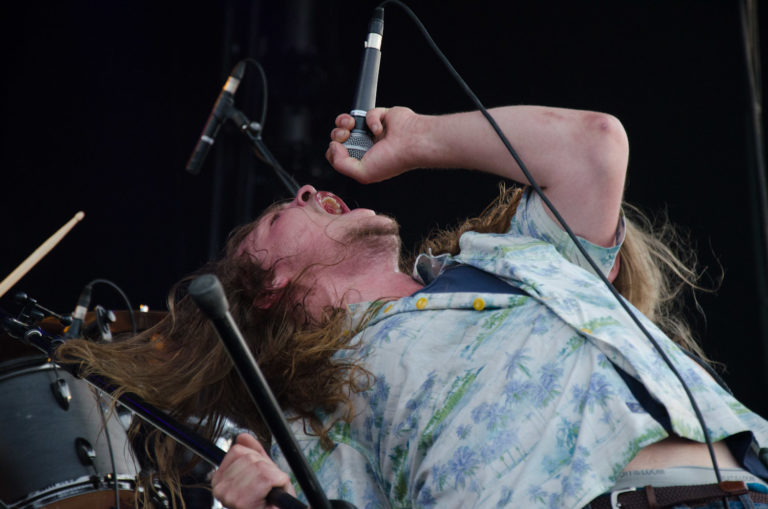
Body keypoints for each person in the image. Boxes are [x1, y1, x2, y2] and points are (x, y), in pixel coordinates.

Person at [61, 105, 768, 509]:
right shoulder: (313, 417)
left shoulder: (508, 255)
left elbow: (593, 147)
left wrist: (421, 139)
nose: (306, 191)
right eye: (279, 215)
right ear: (268, 287)